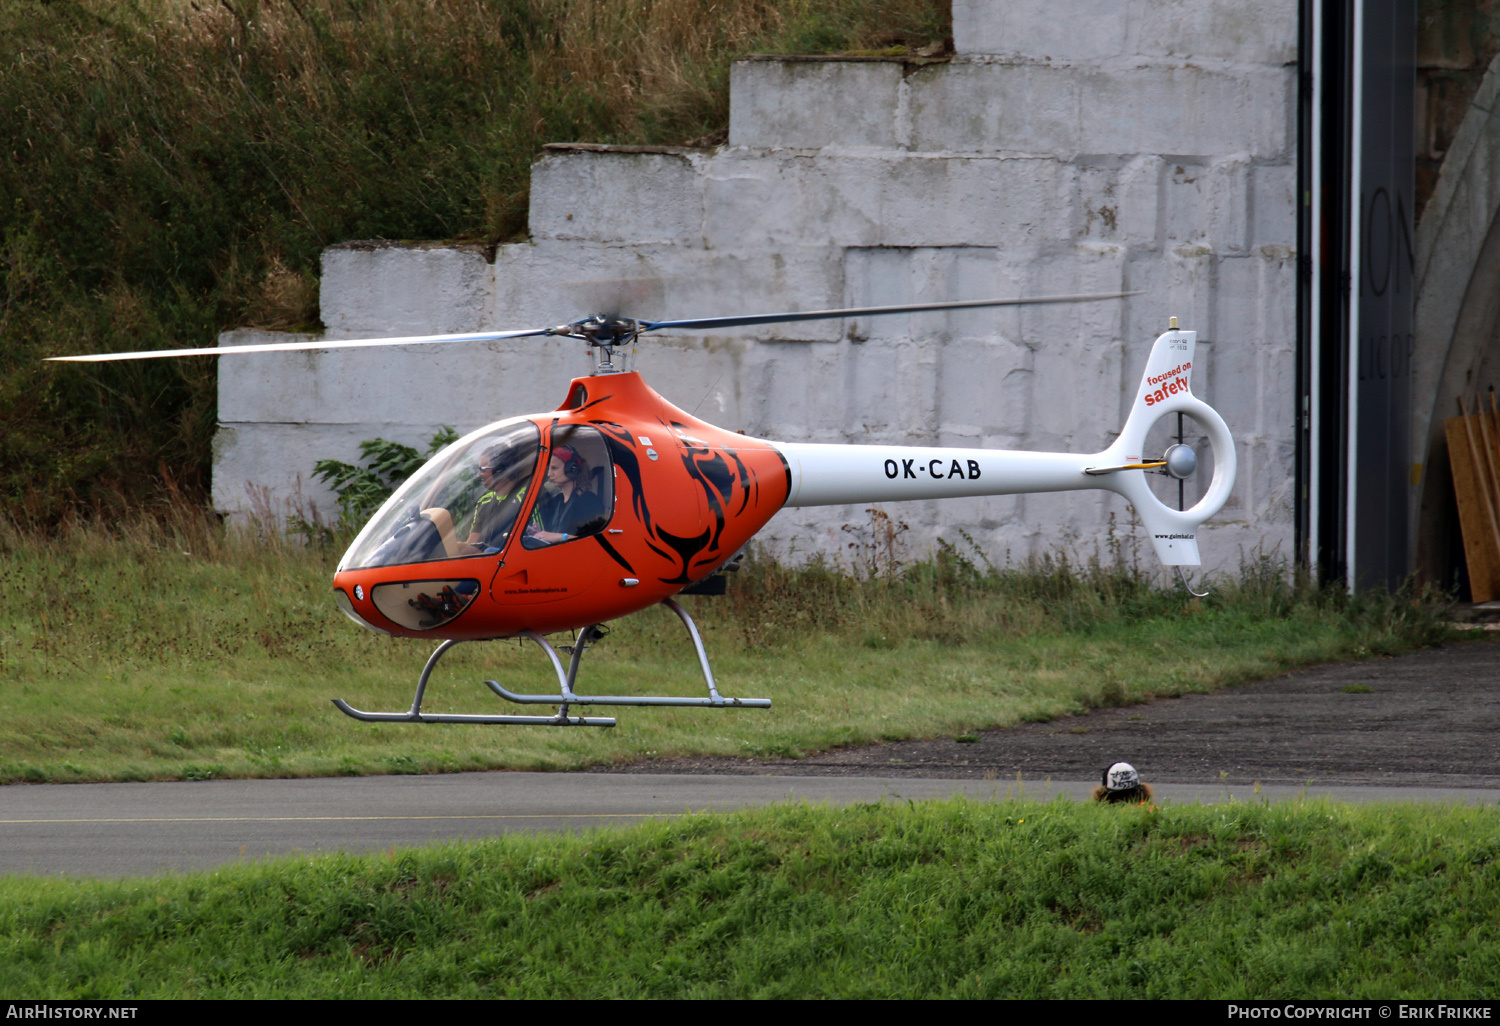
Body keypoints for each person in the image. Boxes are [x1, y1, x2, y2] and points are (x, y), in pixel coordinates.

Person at [525, 444, 605, 546]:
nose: (549, 474)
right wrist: (540, 534)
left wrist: (561, 537)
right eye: (549, 469)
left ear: (571, 470)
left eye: (554, 468)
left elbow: (594, 544)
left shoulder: (589, 502)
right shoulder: (557, 501)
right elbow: (554, 535)